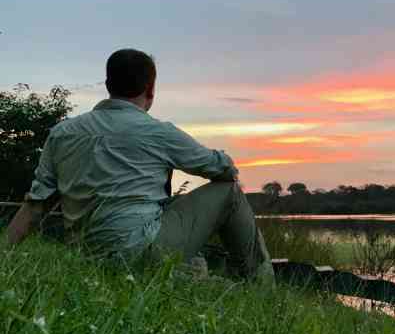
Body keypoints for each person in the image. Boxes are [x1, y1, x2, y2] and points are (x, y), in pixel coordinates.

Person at [4, 48, 273, 281]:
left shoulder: (62, 133)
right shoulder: (157, 132)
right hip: (140, 254)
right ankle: (260, 287)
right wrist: (224, 157)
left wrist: (4, 256)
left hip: (87, 258)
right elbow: (223, 170)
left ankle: (189, 272)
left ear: (108, 84)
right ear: (150, 89)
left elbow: (35, 206)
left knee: (163, 216)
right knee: (229, 192)